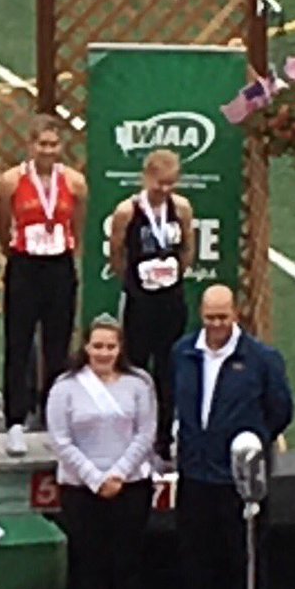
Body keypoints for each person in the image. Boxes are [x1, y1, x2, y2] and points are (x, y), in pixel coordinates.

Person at [167, 285, 294, 589]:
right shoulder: (183, 353)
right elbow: (174, 399)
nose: (217, 324)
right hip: (195, 474)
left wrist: (251, 444)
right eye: (210, 318)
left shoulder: (262, 359)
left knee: (245, 557)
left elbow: (281, 410)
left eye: (223, 317)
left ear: (235, 314)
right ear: (201, 315)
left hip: (240, 480)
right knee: (195, 554)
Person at [46, 315, 157, 589]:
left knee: (130, 559)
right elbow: (60, 440)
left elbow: (146, 433)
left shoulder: (139, 384)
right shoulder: (65, 387)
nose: (103, 353)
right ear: (86, 347)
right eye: (98, 346)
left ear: (120, 348)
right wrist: (95, 478)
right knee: (89, 561)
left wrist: (119, 474)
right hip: (81, 488)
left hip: (131, 484)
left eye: (110, 346)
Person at [0, 114, 87, 456]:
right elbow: (4, 224)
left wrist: (64, 251)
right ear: (30, 145)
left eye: (53, 144)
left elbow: (77, 225)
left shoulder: (75, 183)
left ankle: (54, 418)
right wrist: (18, 252)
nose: (47, 150)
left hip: (59, 267)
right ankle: (15, 421)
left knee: (57, 345)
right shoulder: (11, 181)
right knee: (18, 344)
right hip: (24, 266)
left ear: (61, 146)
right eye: (41, 144)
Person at [108, 149, 194, 458]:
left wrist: (171, 277)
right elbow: (117, 253)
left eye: (171, 183)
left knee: (168, 367)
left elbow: (187, 248)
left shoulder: (181, 209)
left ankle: (163, 437)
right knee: (136, 366)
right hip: (140, 301)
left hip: (171, 300)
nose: (166, 189)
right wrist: (134, 282)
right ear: (146, 178)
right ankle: (131, 431)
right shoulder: (127, 212)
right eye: (160, 183)